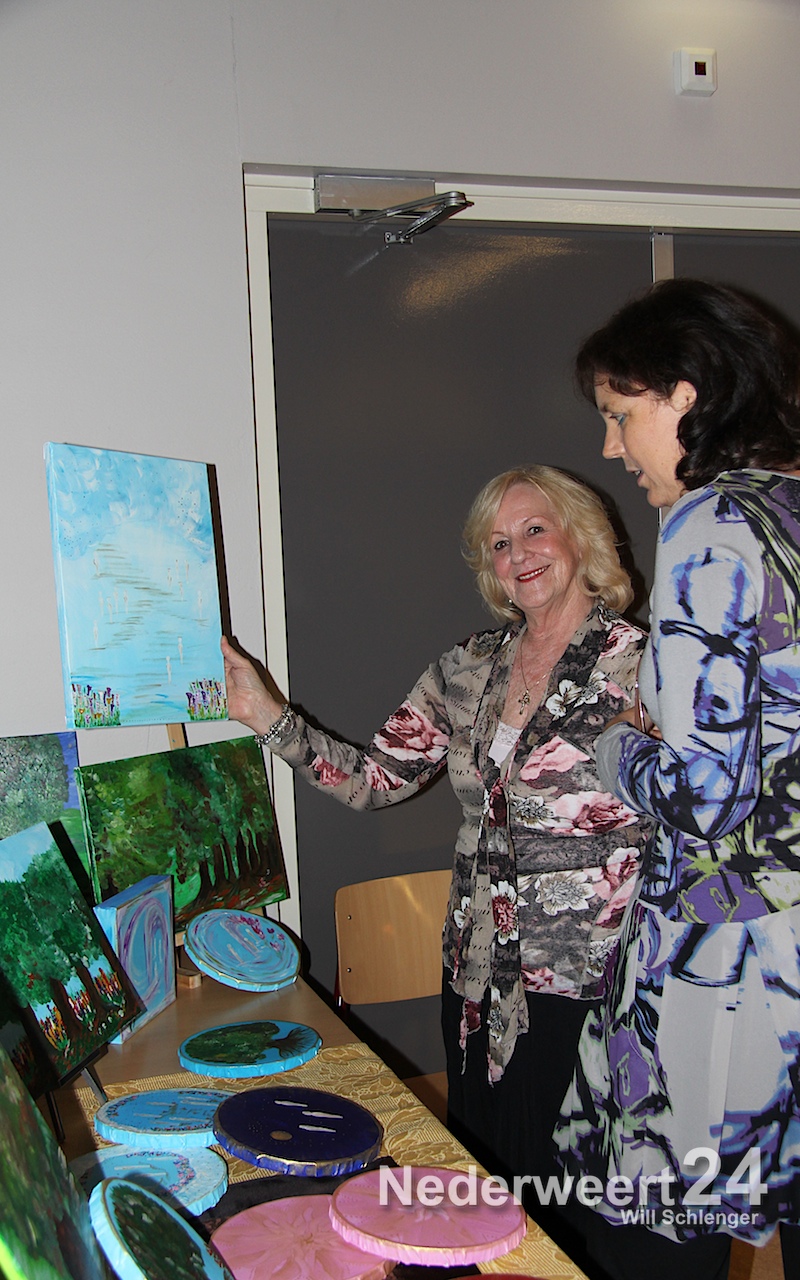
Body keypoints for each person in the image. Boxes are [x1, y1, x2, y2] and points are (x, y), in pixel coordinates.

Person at [222, 464, 649, 1262]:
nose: (517, 554)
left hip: (590, 984)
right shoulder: (467, 668)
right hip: (474, 971)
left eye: (534, 530)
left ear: (581, 537)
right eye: (498, 543)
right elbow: (375, 780)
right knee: (483, 1186)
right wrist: (268, 715)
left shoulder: (643, 666)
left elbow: (703, 810)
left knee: (575, 1205)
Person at [555, 278, 800, 1280]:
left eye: (620, 415)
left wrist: (617, 744)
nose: (612, 447)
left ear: (684, 397)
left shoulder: (712, 521)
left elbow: (703, 797)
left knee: (653, 1239)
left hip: (731, 945)